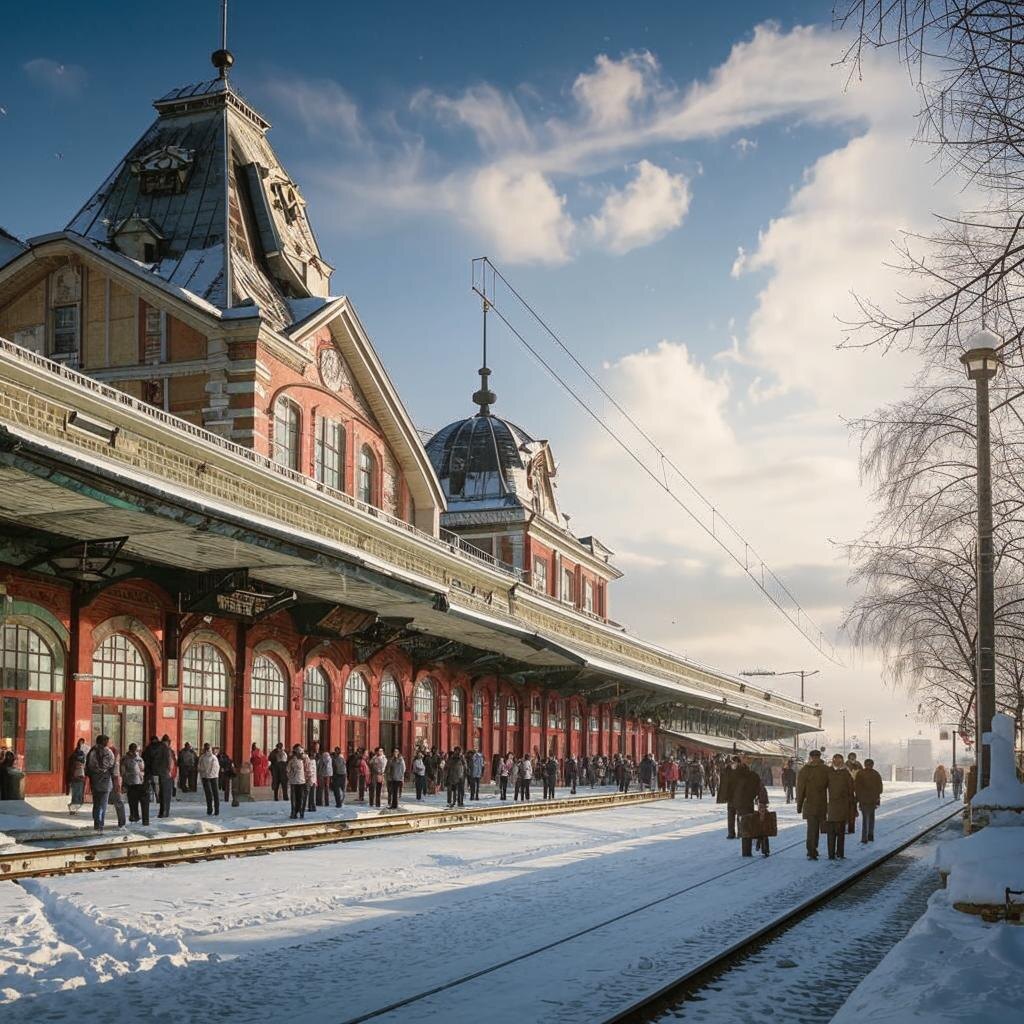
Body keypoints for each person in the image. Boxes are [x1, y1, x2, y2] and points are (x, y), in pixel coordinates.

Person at [796, 749, 829, 860]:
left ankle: (813, 849)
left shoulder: (824, 769)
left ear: (819, 757)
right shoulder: (805, 770)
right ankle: (811, 850)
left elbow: (832, 786)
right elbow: (800, 789)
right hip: (811, 804)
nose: (815, 758)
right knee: (812, 829)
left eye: (816, 756)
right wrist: (799, 805)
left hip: (821, 804)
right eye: (813, 756)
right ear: (810, 757)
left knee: (817, 829)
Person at [826, 753, 855, 860]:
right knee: (841, 832)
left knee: (831, 832)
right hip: (841, 807)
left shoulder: (828, 772)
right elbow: (851, 790)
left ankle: (831, 854)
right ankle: (840, 853)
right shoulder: (846, 774)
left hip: (831, 807)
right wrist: (852, 806)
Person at [730, 756, 761, 857]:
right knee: (747, 825)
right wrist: (757, 799)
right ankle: (747, 850)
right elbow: (759, 788)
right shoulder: (753, 776)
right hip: (748, 804)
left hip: (738, 804)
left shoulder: (735, 777)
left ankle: (746, 850)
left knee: (744, 825)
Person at [85, 735, 115, 832]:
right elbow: (111, 764)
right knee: (103, 804)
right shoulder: (108, 752)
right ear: (104, 742)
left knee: (96, 803)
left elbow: (90, 765)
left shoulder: (92, 752)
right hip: (105, 780)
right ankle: (100, 825)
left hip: (95, 780)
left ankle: (96, 823)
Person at [854, 756, 883, 843]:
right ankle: (870, 835)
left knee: (865, 819)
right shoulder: (876, 774)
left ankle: (864, 838)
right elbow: (880, 788)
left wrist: (858, 798)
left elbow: (856, 787)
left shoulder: (860, 773)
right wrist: (877, 798)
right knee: (871, 818)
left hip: (863, 800)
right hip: (873, 799)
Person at [121, 742, 149, 825]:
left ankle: (136, 816)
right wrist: (125, 780)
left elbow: (142, 768)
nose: (135, 751)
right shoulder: (125, 759)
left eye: (135, 749)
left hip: (138, 782)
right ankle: (134, 815)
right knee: (133, 801)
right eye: (134, 749)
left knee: (134, 800)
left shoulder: (138, 758)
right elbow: (123, 771)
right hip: (132, 783)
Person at [150, 734, 175, 818]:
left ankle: (162, 812)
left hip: (158, 772)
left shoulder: (157, 748)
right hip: (166, 773)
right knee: (166, 794)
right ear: (168, 742)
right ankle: (165, 812)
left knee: (162, 793)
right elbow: (169, 762)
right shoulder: (166, 749)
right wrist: (169, 771)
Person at [198, 742, 220, 816]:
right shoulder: (203, 757)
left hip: (212, 777)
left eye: (208, 748)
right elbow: (199, 767)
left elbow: (216, 767)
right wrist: (204, 773)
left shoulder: (213, 757)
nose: (207, 749)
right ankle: (210, 809)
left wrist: (207, 773)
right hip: (207, 777)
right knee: (210, 794)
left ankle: (216, 810)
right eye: (206, 748)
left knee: (214, 794)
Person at [286, 744, 308, 819]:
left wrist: (290, 777)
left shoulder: (294, 760)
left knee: (295, 798)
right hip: (300, 781)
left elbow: (287, 771)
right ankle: (300, 812)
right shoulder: (297, 760)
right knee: (300, 798)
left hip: (297, 781)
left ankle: (295, 813)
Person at [67, 738, 87, 812]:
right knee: (77, 793)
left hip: (79, 776)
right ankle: (73, 808)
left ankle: (73, 808)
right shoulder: (77, 755)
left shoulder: (80, 754)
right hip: (77, 776)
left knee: (78, 794)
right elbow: (75, 765)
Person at [754, 782, 772, 857]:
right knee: (762, 831)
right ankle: (762, 847)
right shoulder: (762, 789)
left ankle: (763, 847)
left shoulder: (760, 789)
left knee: (762, 830)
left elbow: (762, 800)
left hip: (762, 807)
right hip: (762, 806)